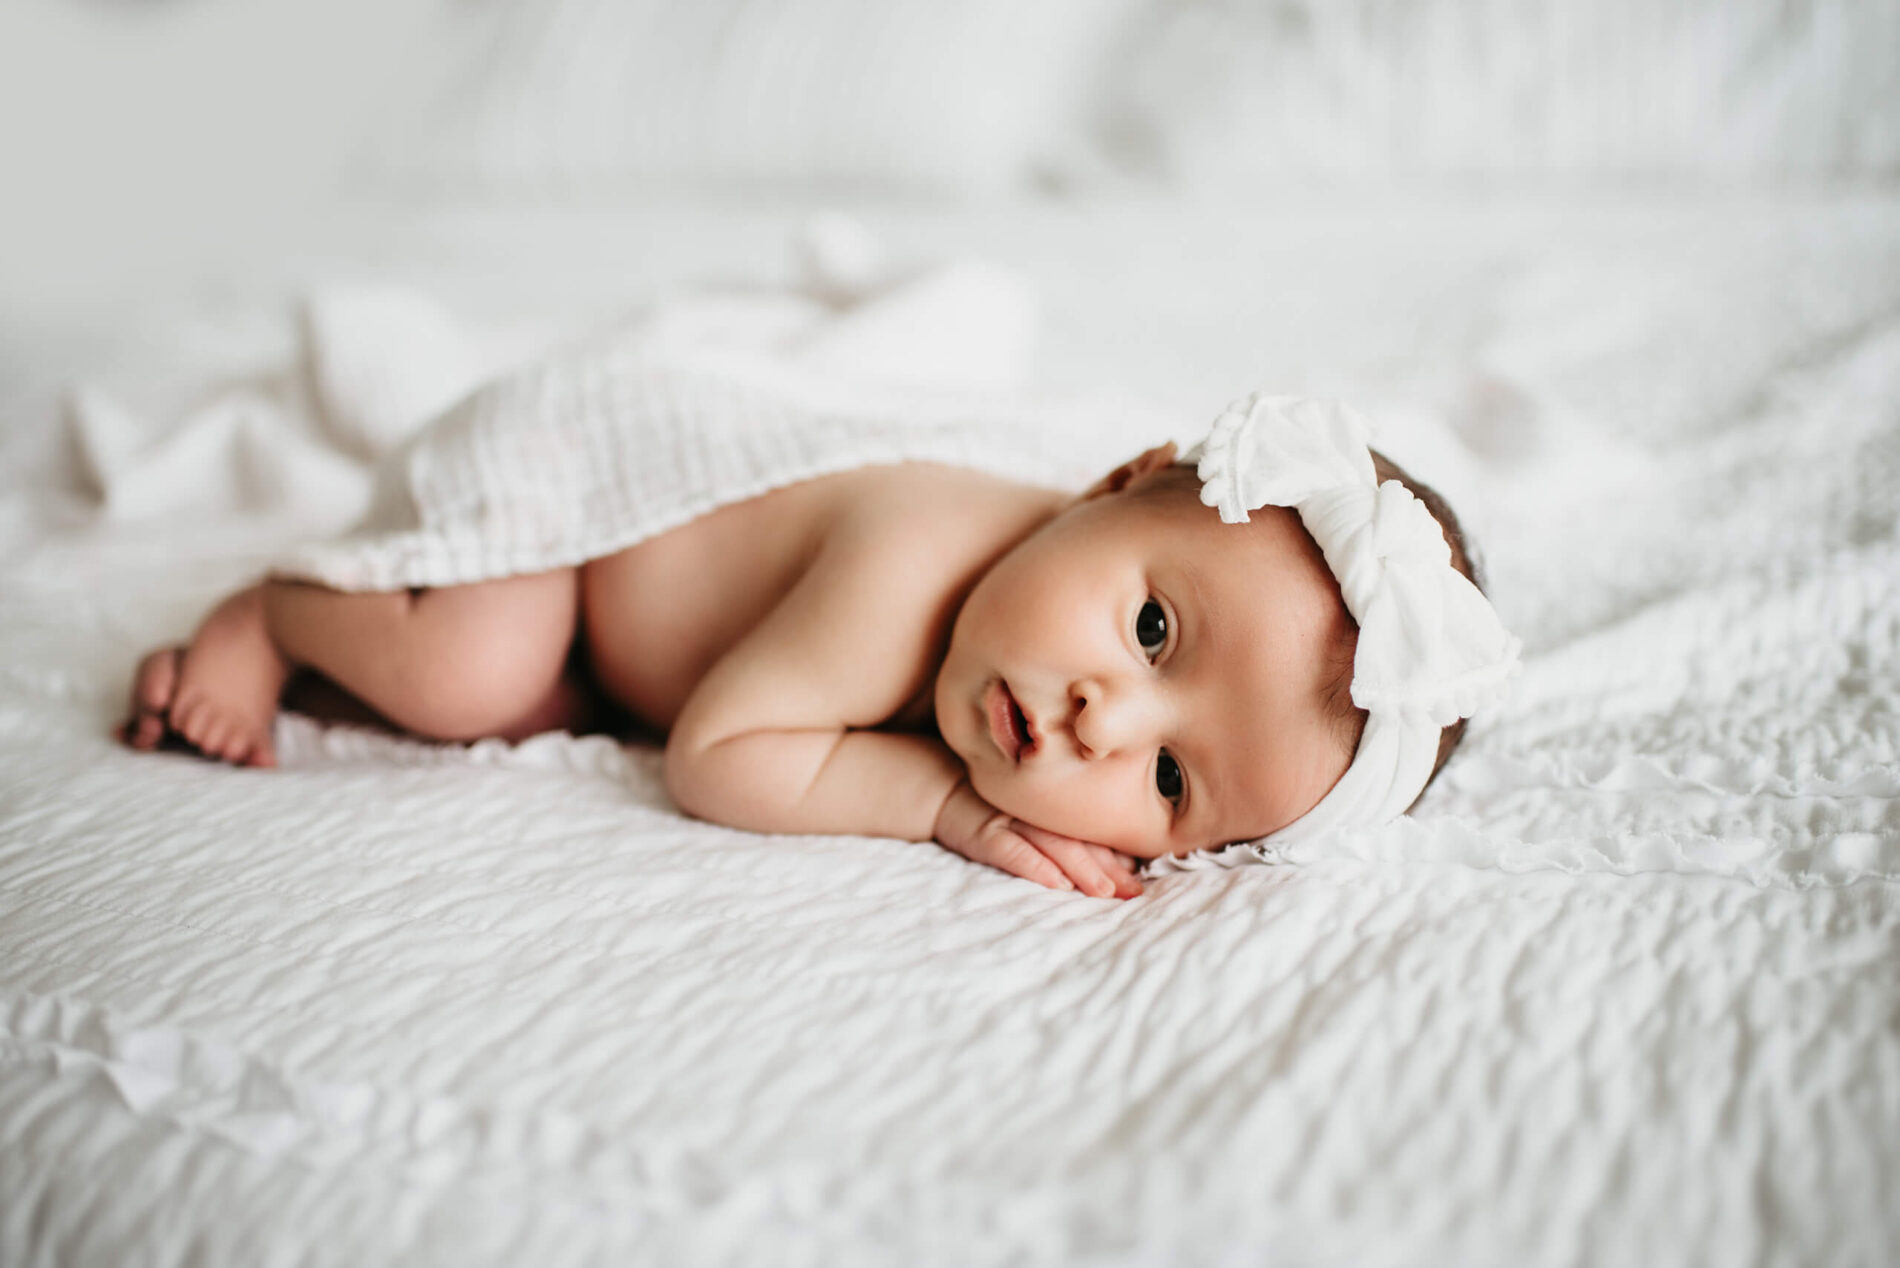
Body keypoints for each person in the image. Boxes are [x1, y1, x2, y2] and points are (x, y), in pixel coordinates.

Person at [119, 390, 1518, 901]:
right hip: (568, 496)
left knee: (542, 696)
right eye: (1153, 629)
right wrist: (943, 805)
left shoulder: (1025, 623)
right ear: (1117, 480)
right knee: (475, 676)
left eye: (1167, 788)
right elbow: (716, 756)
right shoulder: (909, 568)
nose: (1105, 723)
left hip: (621, 635)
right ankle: (280, 610)